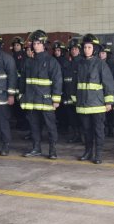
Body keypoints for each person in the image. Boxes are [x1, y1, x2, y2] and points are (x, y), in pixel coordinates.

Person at [20, 30, 63, 159]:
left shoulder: (51, 61)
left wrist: (56, 99)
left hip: (46, 101)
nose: (36, 45)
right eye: (34, 43)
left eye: (39, 43)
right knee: (34, 126)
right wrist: (21, 95)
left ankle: (52, 150)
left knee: (50, 126)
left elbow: (57, 81)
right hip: (31, 100)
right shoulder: (28, 62)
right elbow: (22, 80)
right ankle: (36, 148)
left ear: (44, 44)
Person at [73, 34, 114, 164]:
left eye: (89, 47)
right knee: (86, 130)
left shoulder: (101, 64)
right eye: (85, 47)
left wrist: (109, 102)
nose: (86, 50)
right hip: (83, 105)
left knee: (98, 130)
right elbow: (74, 84)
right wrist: (76, 99)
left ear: (95, 49)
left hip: (97, 105)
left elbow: (108, 83)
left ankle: (98, 154)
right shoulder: (79, 64)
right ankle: (88, 151)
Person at [65, 38, 83, 143]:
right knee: (72, 118)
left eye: (76, 49)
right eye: (72, 49)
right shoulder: (67, 63)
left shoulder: (82, 63)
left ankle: (82, 136)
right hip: (68, 95)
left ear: (79, 50)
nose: (73, 51)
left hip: (79, 96)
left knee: (81, 118)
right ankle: (76, 135)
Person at [52, 40, 70, 133]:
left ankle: (64, 127)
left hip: (64, 89)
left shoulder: (65, 62)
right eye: (55, 50)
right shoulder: (52, 60)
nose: (56, 52)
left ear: (62, 51)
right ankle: (59, 126)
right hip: (55, 89)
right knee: (57, 111)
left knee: (64, 110)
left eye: (58, 50)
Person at [11, 36, 28, 131]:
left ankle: (24, 123)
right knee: (16, 106)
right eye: (15, 45)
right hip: (14, 85)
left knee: (23, 106)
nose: (16, 47)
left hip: (22, 85)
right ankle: (19, 122)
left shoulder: (24, 56)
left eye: (18, 45)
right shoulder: (11, 56)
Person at [99, 44, 114, 138]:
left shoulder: (111, 65)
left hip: (109, 92)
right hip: (99, 92)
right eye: (100, 53)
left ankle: (110, 130)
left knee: (110, 113)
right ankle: (104, 129)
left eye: (103, 53)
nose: (101, 55)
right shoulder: (97, 63)